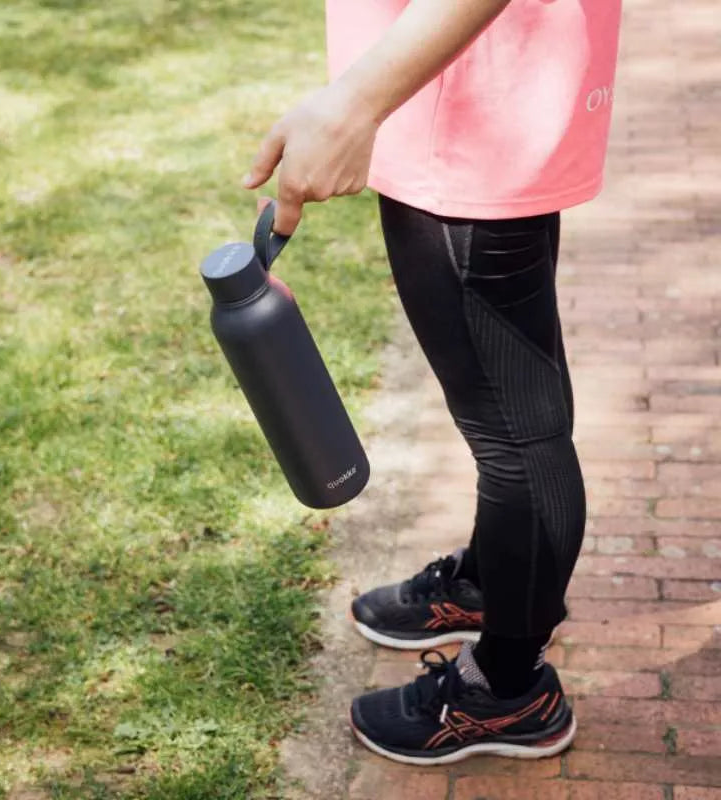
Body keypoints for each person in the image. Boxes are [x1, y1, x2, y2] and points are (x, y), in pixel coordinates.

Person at [244, 0, 622, 766]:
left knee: (517, 432)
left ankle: (508, 691)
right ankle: (490, 581)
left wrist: (356, 100)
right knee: (514, 411)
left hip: (468, 108)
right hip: (471, 95)